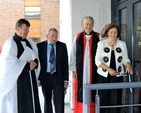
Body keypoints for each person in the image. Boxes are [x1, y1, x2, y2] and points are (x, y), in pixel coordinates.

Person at [0, 18, 41, 113]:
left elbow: (36, 56)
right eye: (25, 29)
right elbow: (9, 62)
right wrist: (27, 66)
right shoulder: (10, 43)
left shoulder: (30, 42)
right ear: (18, 29)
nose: (28, 31)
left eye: (28, 29)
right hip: (18, 79)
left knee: (32, 102)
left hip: (30, 77)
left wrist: (35, 63)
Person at [95, 23, 133, 113]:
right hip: (103, 76)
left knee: (116, 100)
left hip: (117, 75)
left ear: (118, 33)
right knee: (103, 99)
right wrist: (108, 69)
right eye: (111, 32)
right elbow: (97, 61)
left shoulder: (122, 44)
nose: (113, 34)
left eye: (115, 32)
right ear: (107, 33)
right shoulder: (101, 44)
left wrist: (128, 65)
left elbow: (125, 59)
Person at [69, 16, 100, 113]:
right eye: (86, 24)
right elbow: (73, 54)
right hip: (81, 69)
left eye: (91, 24)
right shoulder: (77, 36)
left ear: (93, 25)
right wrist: (73, 70)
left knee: (93, 89)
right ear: (82, 25)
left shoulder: (98, 36)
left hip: (94, 69)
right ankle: (81, 110)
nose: (88, 26)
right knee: (80, 89)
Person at [37, 28, 69, 113]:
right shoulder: (40, 46)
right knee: (47, 100)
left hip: (58, 76)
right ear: (47, 36)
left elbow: (65, 64)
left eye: (56, 36)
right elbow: (38, 64)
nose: (55, 38)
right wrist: (38, 79)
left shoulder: (62, 46)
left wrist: (66, 80)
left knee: (59, 100)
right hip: (45, 77)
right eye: (52, 36)